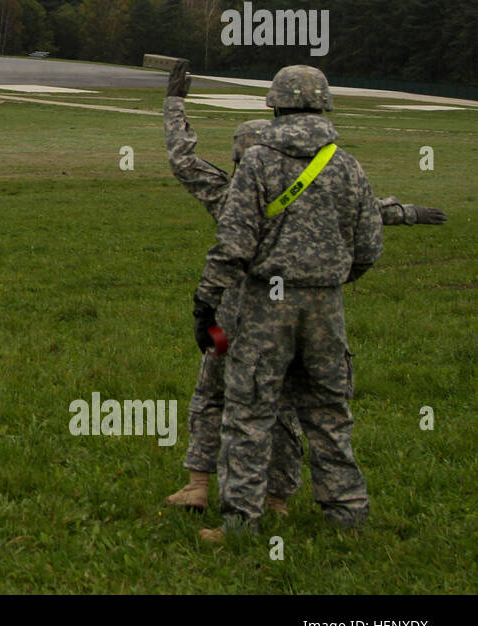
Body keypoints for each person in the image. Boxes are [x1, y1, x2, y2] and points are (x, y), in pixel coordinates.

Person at [163, 62, 446, 514]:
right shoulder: (342, 166)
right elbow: (369, 219)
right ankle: (316, 505)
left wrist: (174, 103)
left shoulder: (237, 182)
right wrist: (400, 219)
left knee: (232, 404)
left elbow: (184, 163)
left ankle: (219, 498)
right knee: (314, 411)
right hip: (320, 305)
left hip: (246, 310)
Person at [193, 65, 383, 539]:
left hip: (265, 307)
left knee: (250, 414)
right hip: (326, 308)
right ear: (324, 105)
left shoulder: (257, 162)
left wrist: (207, 300)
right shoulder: (347, 164)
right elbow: (369, 246)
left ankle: (241, 523)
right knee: (328, 413)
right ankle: (348, 517)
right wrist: (330, 280)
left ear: (274, 105)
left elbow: (234, 243)